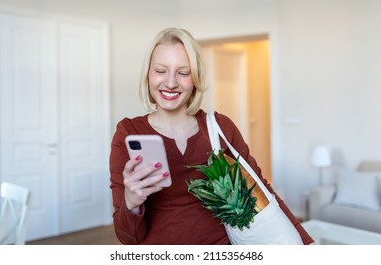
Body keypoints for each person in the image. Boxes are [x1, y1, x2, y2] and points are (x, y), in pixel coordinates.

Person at [109, 27, 314, 245]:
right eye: (160, 70)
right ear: (148, 73)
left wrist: (306, 242)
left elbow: (260, 188)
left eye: (183, 72)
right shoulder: (129, 132)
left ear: (195, 78)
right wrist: (131, 202)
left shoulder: (220, 127)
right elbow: (128, 238)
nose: (170, 83)